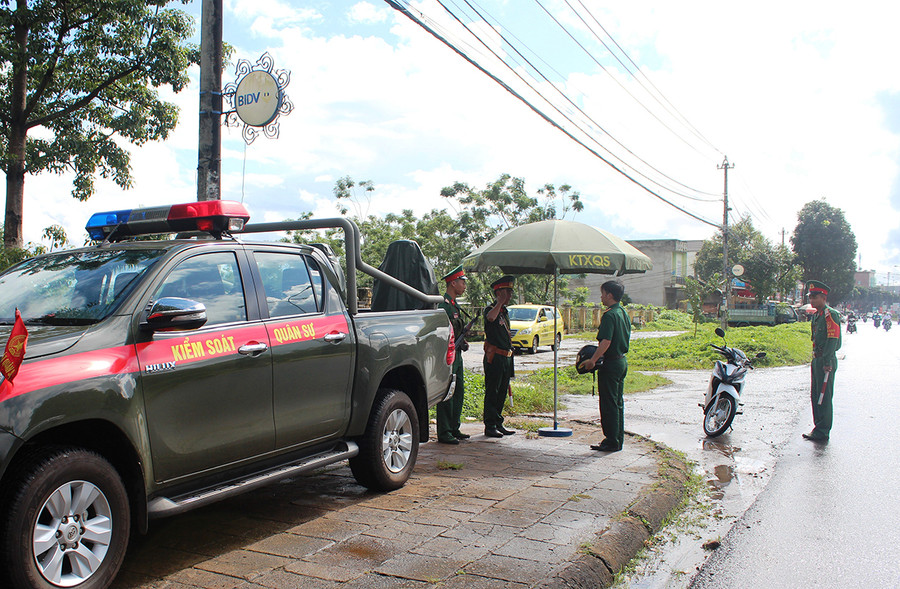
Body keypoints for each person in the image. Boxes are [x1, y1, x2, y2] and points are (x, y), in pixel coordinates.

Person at [578, 280, 630, 452]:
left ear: (609, 294)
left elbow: (606, 341)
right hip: (621, 361)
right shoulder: (622, 312)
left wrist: (593, 360)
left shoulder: (609, 315)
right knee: (617, 402)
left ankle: (611, 440)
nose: (601, 297)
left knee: (608, 403)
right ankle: (617, 438)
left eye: (602, 293)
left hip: (611, 363)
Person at [804, 280, 841, 442]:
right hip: (817, 359)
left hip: (826, 360)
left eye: (815, 297)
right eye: (810, 298)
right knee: (815, 394)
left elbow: (833, 340)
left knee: (824, 396)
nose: (812, 301)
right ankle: (817, 426)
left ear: (823, 298)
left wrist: (827, 361)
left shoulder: (830, 314)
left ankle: (823, 430)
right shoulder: (817, 315)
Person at [436, 265, 469, 444]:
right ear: (453, 283)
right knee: (448, 392)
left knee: (458, 392)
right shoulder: (444, 305)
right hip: (448, 356)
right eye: (462, 282)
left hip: (458, 354)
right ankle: (445, 431)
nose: (464, 286)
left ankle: (454, 427)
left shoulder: (455, 305)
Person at [482, 275, 516, 438]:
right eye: (507, 292)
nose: (510, 296)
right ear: (499, 293)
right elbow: (490, 318)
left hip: (506, 357)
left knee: (502, 391)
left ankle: (498, 422)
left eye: (510, 292)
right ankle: (489, 425)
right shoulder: (491, 309)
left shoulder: (505, 311)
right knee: (492, 391)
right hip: (494, 357)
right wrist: (500, 302)